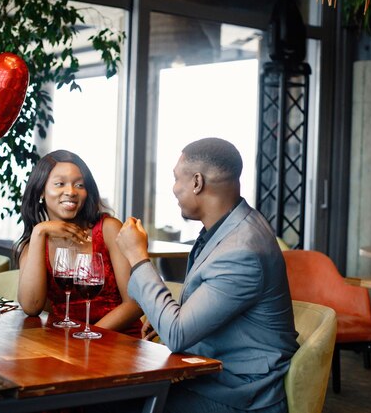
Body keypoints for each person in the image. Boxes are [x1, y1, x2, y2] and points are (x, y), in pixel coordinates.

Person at [115, 138, 299, 413]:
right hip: (210, 379)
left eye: (177, 179)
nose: (174, 188)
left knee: (112, 404)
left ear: (197, 182)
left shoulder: (242, 251)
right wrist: (170, 316)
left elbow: (176, 334)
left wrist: (137, 256)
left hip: (239, 397)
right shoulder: (230, 227)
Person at [15, 150, 142, 337]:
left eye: (79, 185)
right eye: (60, 184)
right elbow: (31, 307)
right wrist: (39, 231)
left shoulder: (108, 229)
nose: (71, 192)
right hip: (67, 345)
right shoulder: (35, 242)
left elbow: (135, 303)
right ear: (41, 190)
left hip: (118, 342)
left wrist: (88, 335)